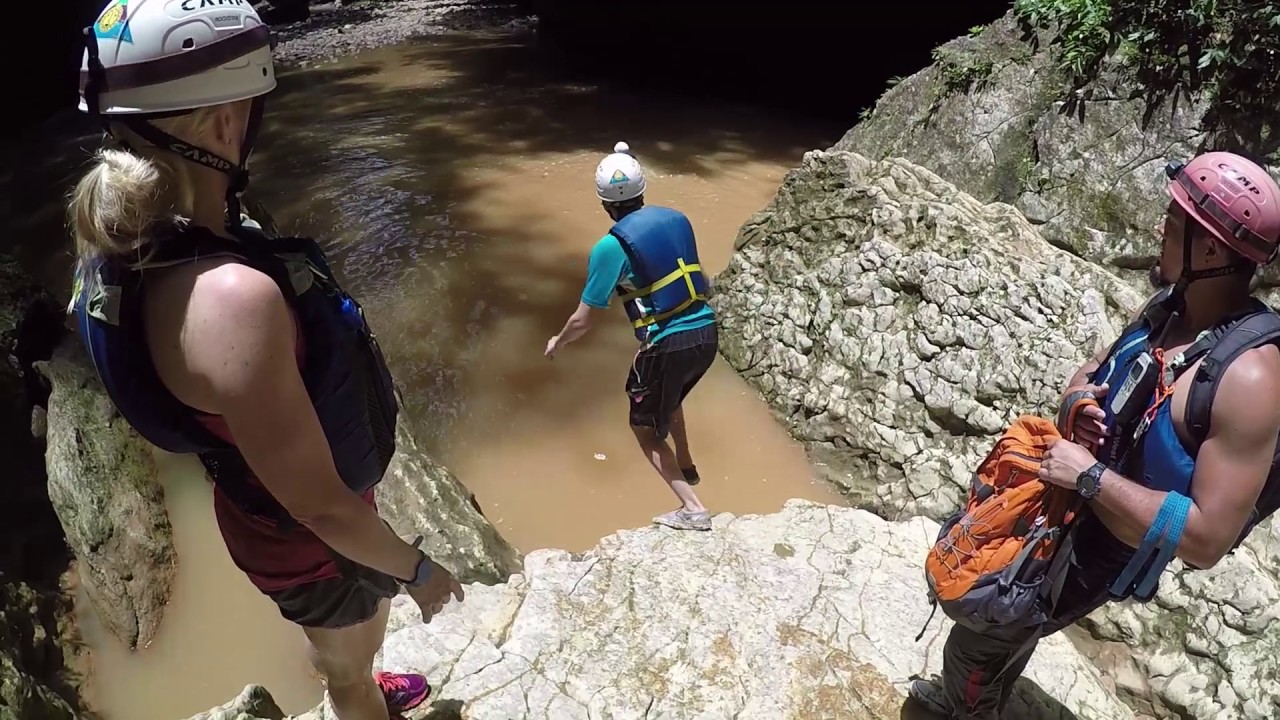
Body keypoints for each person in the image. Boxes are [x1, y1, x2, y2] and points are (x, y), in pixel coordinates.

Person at [68, 2, 463, 719]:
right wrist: (420, 571)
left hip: (260, 510)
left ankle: (355, 676)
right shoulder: (230, 301)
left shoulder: (130, 241)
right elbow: (318, 506)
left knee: (348, 637)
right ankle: (356, 694)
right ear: (224, 123)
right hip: (306, 534)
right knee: (353, 649)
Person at [909, 151, 1280, 718]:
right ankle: (988, 693)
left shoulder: (1249, 380)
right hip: (1070, 501)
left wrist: (1090, 476)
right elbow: (1093, 368)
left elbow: (1207, 538)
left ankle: (970, 707)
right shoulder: (1170, 305)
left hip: (1106, 544)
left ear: (1210, 249)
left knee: (983, 632)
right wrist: (1077, 403)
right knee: (1014, 621)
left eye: (1175, 221)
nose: (1161, 228)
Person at [545, 142, 718, 531]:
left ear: (604, 203)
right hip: (707, 333)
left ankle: (693, 510)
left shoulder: (611, 248)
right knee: (669, 397)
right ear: (642, 191)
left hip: (667, 343)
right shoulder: (678, 219)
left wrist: (558, 341)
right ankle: (686, 462)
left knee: (643, 431)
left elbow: (583, 320)